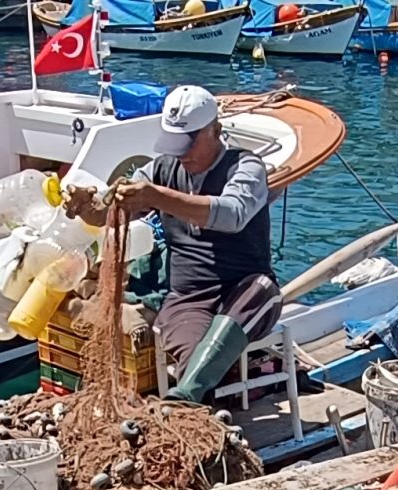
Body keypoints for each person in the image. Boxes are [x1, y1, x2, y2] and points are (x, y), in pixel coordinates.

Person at [69, 85, 277, 403]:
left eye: (190, 143)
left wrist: (156, 196)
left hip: (244, 291)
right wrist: (86, 204)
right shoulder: (161, 170)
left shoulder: (246, 167)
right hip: (188, 297)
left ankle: (186, 395)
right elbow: (107, 212)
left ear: (216, 130)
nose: (183, 153)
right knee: (194, 358)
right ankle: (190, 403)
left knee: (260, 288)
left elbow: (232, 214)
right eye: (176, 144)